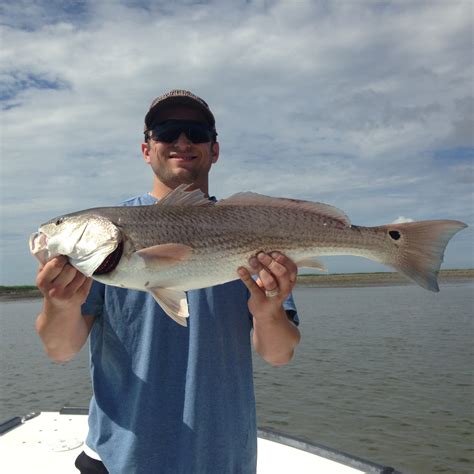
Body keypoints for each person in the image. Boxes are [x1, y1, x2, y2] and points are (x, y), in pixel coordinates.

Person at [35, 89, 301, 474]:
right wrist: (58, 304)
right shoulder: (100, 245)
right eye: (167, 131)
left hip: (223, 460)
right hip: (119, 460)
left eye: (195, 132)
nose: (181, 142)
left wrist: (269, 311)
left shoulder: (254, 229)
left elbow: (279, 354)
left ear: (215, 150)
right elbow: (60, 350)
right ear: (146, 149)